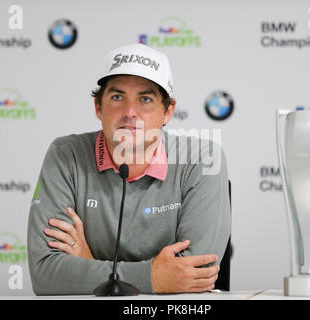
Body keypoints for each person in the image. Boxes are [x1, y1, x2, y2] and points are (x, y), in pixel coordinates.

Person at [27, 43, 231, 295]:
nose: (130, 112)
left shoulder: (202, 158)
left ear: (168, 111)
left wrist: (89, 267)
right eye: (117, 97)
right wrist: (152, 277)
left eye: (145, 99)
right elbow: (45, 274)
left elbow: (194, 273)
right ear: (98, 107)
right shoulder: (66, 154)